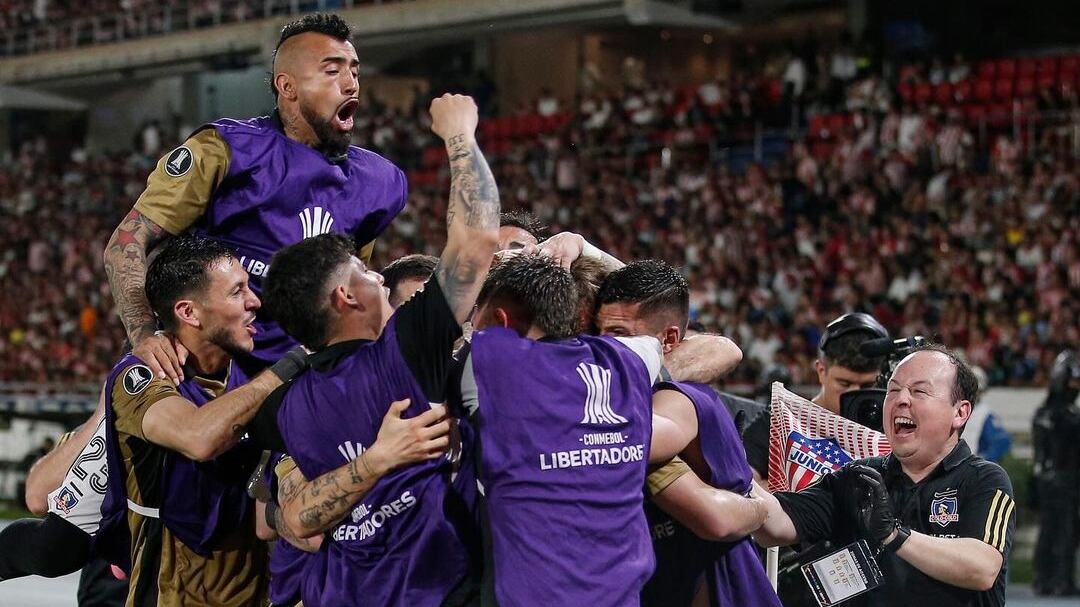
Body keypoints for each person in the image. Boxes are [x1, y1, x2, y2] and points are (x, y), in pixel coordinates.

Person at [257, 93, 499, 607]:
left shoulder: (288, 404)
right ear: (345, 297)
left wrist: (370, 465)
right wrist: (460, 133)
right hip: (435, 590)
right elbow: (478, 241)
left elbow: (295, 517)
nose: (382, 283)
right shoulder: (406, 346)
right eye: (367, 274)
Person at [104, 13, 407, 382]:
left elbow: (346, 293)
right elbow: (126, 242)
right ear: (287, 86)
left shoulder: (379, 183)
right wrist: (144, 333)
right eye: (332, 71)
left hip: (294, 380)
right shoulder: (225, 151)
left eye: (354, 72)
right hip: (199, 372)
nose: (350, 84)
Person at [99, 235, 310, 606]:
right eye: (236, 292)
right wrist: (290, 365)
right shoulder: (142, 376)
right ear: (189, 312)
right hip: (167, 593)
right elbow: (198, 437)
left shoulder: (249, 376)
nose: (254, 301)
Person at [754, 345, 1016, 607]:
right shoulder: (858, 478)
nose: (901, 399)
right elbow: (775, 524)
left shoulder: (984, 479)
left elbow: (982, 569)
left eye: (919, 391)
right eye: (893, 390)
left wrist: (893, 534)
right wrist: (733, 472)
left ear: (960, 412)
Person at [594, 260, 780, 607]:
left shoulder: (679, 400)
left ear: (670, 339)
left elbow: (717, 519)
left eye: (618, 334)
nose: (602, 348)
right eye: (598, 333)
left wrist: (758, 510)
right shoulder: (636, 394)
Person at [742, 311, 889, 480]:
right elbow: (741, 483)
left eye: (867, 385)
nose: (854, 393)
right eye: (844, 383)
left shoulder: (891, 431)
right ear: (821, 371)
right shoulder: (782, 420)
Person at [1031, 349, 1080, 596]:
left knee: (1049, 529)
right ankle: (1061, 580)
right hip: (1064, 479)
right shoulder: (1068, 416)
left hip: (1046, 480)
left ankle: (1043, 579)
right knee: (1064, 530)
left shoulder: (1043, 413)